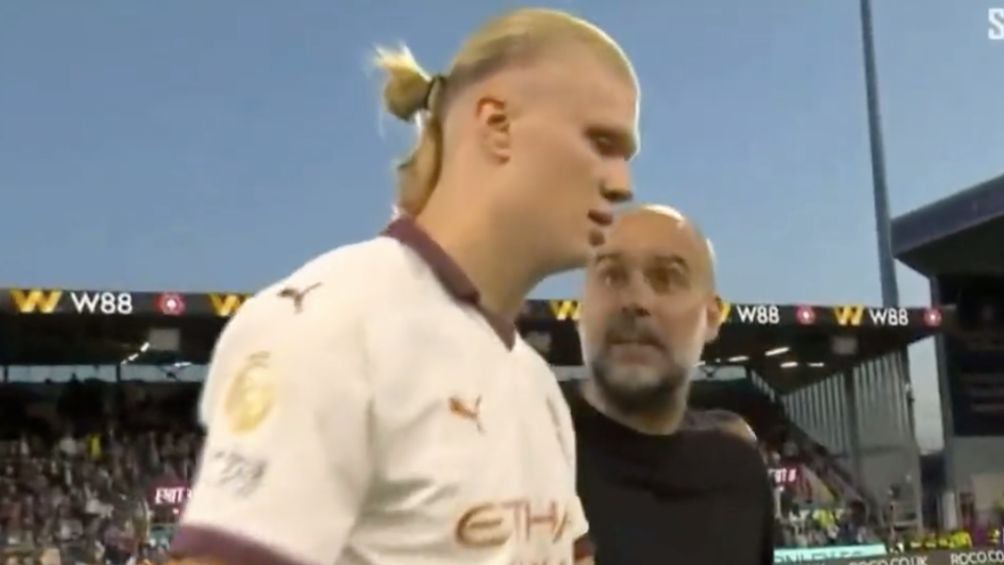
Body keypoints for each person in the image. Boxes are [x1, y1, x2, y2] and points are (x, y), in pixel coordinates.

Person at [168, 7, 638, 565]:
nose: (623, 185)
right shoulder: (327, 327)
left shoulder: (536, 385)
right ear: (497, 126)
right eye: (602, 142)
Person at [564, 205, 774, 565]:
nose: (635, 301)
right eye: (612, 276)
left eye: (666, 277)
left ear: (711, 317)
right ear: (581, 311)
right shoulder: (518, 450)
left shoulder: (740, 475)